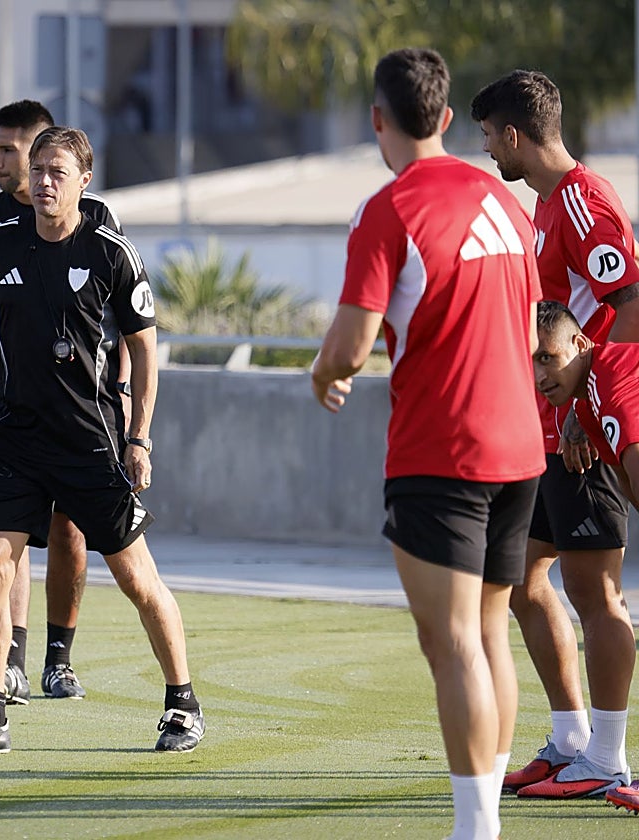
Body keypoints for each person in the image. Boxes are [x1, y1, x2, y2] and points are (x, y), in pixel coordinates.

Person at [312, 48, 544, 840]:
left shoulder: (390, 209)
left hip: (442, 451)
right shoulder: (507, 202)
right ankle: (485, 821)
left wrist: (323, 375)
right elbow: (525, 330)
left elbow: (348, 348)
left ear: (378, 119)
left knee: (452, 645)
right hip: (520, 449)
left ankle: (475, 831)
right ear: (445, 117)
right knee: (487, 635)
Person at [0, 125, 204, 755]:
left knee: (136, 577)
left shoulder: (112, 252)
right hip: (13, 439)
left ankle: (183, 704)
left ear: (84, 180)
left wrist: (139, 436)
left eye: (58, 172)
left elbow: (144, 347)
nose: (44, 182)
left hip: (90, 441)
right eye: (38, 170)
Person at [471, 69, 639, 798]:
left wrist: (586, 410)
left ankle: (606, 758)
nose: (486, 151)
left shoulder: (582, 199)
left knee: (595, 595)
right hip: (544, 429)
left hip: (582, 433)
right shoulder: (544, 204)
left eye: (488, 136)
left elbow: (630, 305)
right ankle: (571, 740)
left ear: (513, 135)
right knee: (518, 579)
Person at [0, 99, 129, 703]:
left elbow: (124, 321)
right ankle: (13, 662)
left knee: (69, 531)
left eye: (9, 150)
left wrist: (127, 404)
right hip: (4, 408)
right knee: (8, 538)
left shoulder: (97, 217)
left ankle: (60, 657)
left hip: (82, 412)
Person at [531, 301, 639, 812]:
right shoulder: (588, 403)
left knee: (597, 596)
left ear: (580, 344)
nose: (539, 375)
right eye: (530, 362)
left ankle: (603, 757)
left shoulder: (611, 382)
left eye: (547, 358)